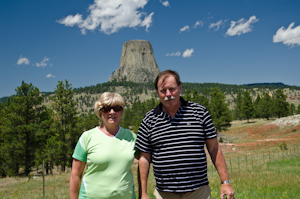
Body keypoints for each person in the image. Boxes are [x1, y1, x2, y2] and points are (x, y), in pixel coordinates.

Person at [136, 70, 235, 199]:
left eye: (172, 89)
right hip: (164, 194)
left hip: (198, 192)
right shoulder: (149, 119)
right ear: (157, 92)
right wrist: (143, 194)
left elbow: (214, 148)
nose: (168, 94)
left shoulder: (200, 112)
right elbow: (144, 158)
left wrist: (226, 182)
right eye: (163, 91)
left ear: (180, 88)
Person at [70, 92, 137, 199]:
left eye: (117, 108)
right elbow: (75, 174)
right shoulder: (87, 137)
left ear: (122, 111)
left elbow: (145, 160)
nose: (112, 112)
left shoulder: (131, 137)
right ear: (100, 112)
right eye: (107, 109)